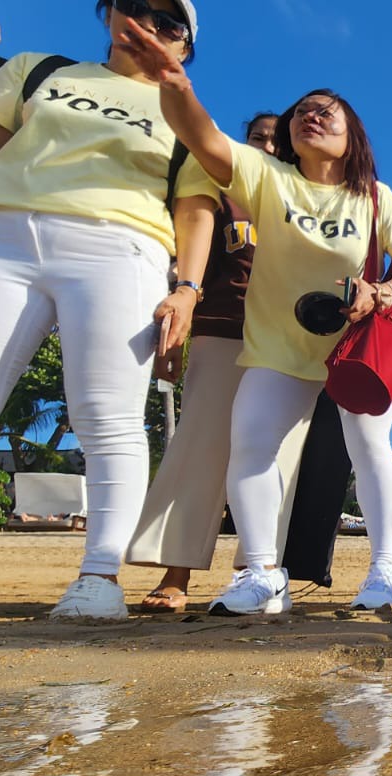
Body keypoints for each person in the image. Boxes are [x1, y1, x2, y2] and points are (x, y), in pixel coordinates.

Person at [126, 27, 392, 616]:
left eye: (327, 112)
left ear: (353, 135)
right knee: (253, 447)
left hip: (354, 349)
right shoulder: (267, 177)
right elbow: (203, 138)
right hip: (274, 348)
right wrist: (176, 83)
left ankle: (385, 569)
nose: (310, 117)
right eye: (301, 113)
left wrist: (382, 293)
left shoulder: (373, 195)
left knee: (369, 451)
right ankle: (263, 572)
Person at [0, 0, 200, 621]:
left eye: (170, 22)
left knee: (109, 417)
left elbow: (196, 206)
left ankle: (99, 578)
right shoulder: (38, 69)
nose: (150, 24)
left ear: (184, 48)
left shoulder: (185, 114)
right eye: (136, 7)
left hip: (123, 247)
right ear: (110, 15)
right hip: (3, 237)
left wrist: (187, 287)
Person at [126, 113, 309, 611]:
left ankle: (260, 573)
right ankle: (176, 571)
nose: (267, 148)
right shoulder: (219, 192)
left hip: (289, 342)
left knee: (277, 459)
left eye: (278, 142)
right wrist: (178, 331)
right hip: (222, 327)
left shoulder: (305, 199)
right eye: (258, 138)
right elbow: (192, 264)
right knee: (201, 446)